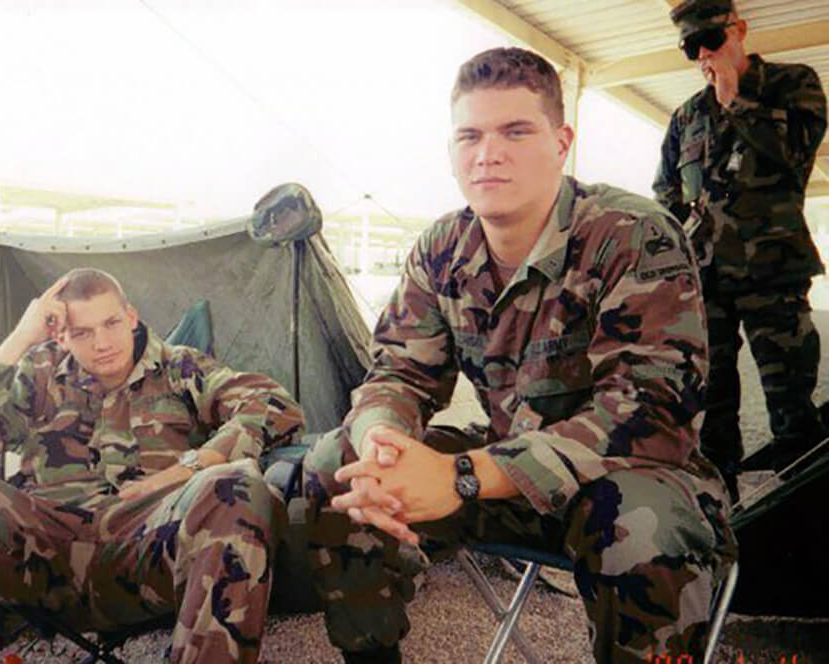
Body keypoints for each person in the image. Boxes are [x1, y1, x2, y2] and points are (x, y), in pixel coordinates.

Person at [302, 47, 736, 664]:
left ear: (562, 143)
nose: (488, 153)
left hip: (630, 481)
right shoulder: (442, 248)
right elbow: (398, 371)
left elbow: (648, 413)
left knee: (639, 526)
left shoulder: (631, 234)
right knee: (336, 464)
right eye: (470, 135)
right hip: (504, 481)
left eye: (516, 131)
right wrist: (382, 443)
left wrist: (463, 475)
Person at [0, 268, 304, 664]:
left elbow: (274, 405)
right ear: (60, 333)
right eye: (82, 332)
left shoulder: (181, 369)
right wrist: (19, 338)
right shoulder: (38, 372)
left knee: (235, 484)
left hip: (145, 544)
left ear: (131, 316)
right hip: (42, 547)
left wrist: (190, 466)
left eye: (111, 323)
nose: (102, 343)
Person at [652, 0, 828, 502]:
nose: (705, 53)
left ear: (740, 30)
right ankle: (718, 519)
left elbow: (796, 153)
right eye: (693, 46)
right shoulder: (686, 117)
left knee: (792, 407)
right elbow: (665, 190)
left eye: (713, 39)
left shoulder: (793, 84)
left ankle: (807, 522)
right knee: (712, 407)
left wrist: (735, 98)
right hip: (707, 283)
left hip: (774, 275)